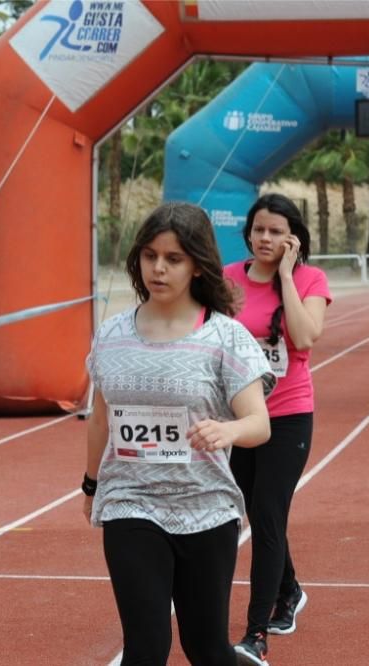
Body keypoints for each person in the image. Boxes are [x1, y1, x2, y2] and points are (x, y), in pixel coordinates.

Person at [83, 202, 276, 666]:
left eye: (173, 259)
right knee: (146, 649)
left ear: (196, 265)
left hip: (206, 508)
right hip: (131, 502)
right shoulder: (111, 335)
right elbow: (100, 418)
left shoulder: (225, 338)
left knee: (206, 648)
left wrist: (226, 429)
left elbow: (260, 425)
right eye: (150, 256)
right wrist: (93, 485)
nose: (159, 268)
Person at [224, 193, 332, 666]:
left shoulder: (310, 279)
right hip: (241, 416)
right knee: (256, 510)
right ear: (248, 232)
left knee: (268, 515)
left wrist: (286, 275)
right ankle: (289, 590)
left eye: (275, 231)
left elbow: (306, 337)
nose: (265, 238)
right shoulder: (227, 278)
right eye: (259, 230)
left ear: (292, 236)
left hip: (288, 416)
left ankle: (255, 635)